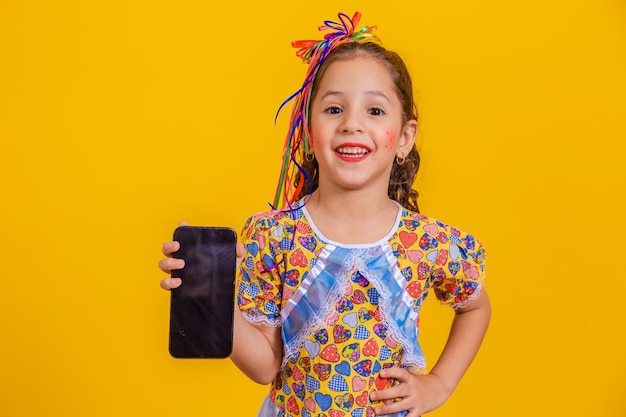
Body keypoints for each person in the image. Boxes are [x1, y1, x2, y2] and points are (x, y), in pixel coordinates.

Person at [159, 11, 491, 417]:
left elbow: (474, 305)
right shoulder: (273, 236)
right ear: (309, 132)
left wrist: (439, 384)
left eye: (374, 111)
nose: (352, 124)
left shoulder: (426, 242)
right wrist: (211, 296)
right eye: (334, 110)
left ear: (404, 139)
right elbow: (264, 366)